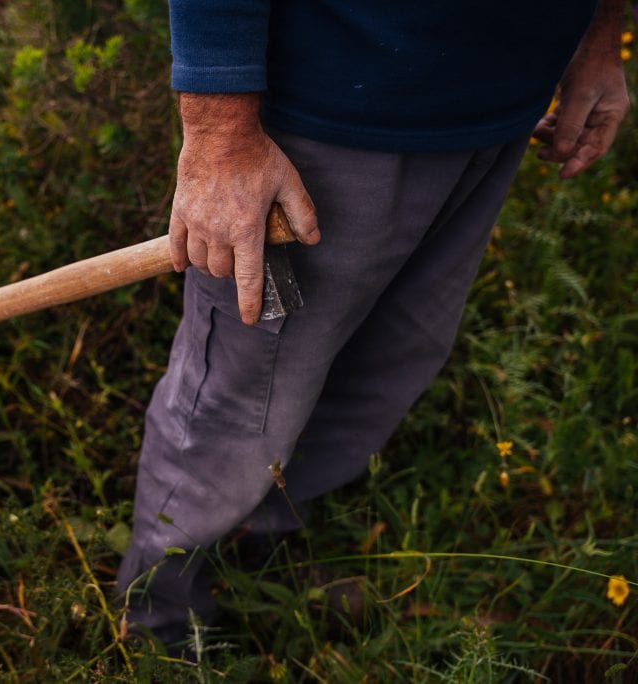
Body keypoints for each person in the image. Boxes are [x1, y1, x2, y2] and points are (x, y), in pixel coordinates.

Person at [116, 0, 630, 649]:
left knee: (394, 355)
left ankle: (264, 541)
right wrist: (220, 131)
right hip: (327, 109)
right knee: (244, 392)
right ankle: (158, 622)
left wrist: (597, 39)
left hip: (501, 106)